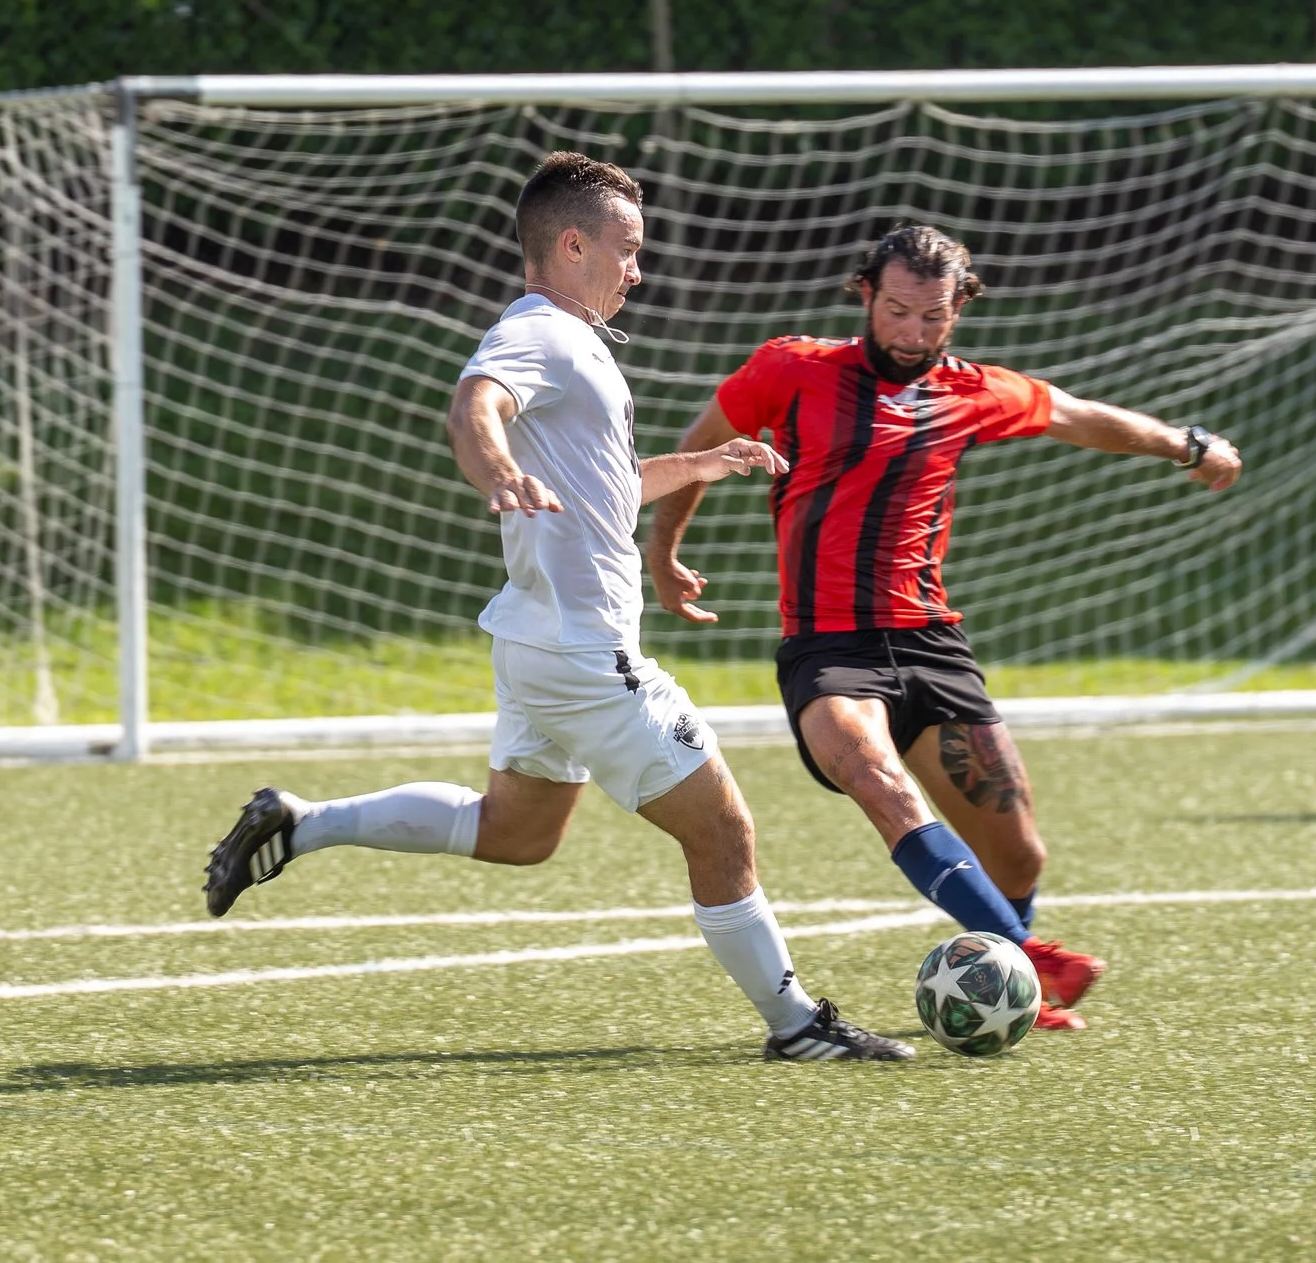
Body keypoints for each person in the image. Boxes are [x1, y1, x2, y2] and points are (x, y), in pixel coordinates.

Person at [203, 153, 913, 1063]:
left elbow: (602, 491)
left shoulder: (572, 345)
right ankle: (799, 1028)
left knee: (518, 832)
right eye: (628, 249)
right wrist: (496, 471)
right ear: (572, 245)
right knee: (724, 829)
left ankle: (300, 822)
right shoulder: (546, 334)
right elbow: (475, 403)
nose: (638, 270)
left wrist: (699, 465)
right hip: (584, 653)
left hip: (533, 642)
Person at [645, 225, 1245, 1032]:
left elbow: (1077, 416)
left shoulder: (974, 391)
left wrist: (1189, 445)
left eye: (932, 317)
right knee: (877, 780)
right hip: (830, 649)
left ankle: (1008, 973)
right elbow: (701, 445)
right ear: (865, 295)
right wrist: (664, 553)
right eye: (896, 311)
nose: (911, 333)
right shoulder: (793, 369)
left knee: (1020, 854)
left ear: (959, 309)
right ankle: (1021, 960)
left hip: (932, 644)